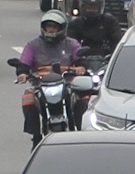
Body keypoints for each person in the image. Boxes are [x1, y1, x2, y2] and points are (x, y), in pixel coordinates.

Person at [15, 10, 84, 139]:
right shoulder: (33, 45)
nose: (51, 29)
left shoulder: (72, 44)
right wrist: (22, 73)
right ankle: (36, 135)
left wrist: (81, 67)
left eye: (54, 27)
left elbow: (80, 59)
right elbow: (23, 63)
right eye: (49, 26)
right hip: (40, 84)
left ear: (62, 28)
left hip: (67, 83)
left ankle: (82, 130)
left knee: (84, 96)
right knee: (28, 99)